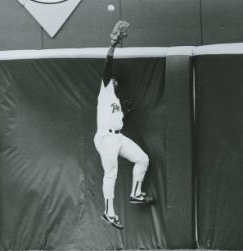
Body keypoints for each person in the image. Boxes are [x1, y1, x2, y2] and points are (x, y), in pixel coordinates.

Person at [94, 21, 153, 230]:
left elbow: (117, 120)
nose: (115, 82)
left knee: (142, 158)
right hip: (105, 138)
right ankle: (108, 212)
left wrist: (124, 113)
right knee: (111, 173)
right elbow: (107, 68)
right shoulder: (106, 90)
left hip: (117, 136)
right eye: (113, 80)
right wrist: (112, 45)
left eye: (116, 82)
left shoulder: (116, 102)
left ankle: (135, 193)